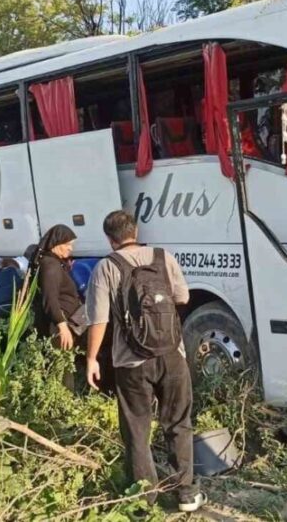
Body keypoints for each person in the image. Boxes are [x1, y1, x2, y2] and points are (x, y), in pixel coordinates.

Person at [84, 211, 205, 513]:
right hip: (172, 356)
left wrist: (91, 360)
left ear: (109, 238)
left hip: (131, 363)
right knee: (178, 423)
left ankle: (143, 501)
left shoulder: (106, 267)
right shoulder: (164, 257)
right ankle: (187, 494)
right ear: (135, 230)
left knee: (137, 429)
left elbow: (98, 319)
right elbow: (182, 297)